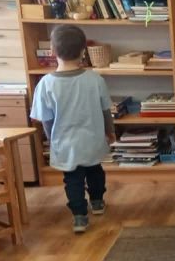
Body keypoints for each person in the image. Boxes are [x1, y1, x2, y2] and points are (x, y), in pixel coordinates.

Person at [29, 24, 113, 234]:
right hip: (92, 139)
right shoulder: (95, 79)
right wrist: (110, 131)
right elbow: (106, 111)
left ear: (52, 51)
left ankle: (79, 216)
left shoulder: (45, 84)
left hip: (65, 143)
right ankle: (97, 202)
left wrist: (51, 139)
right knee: (95, 171)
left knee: (72, 180)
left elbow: (46, 119)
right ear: (84, 51)